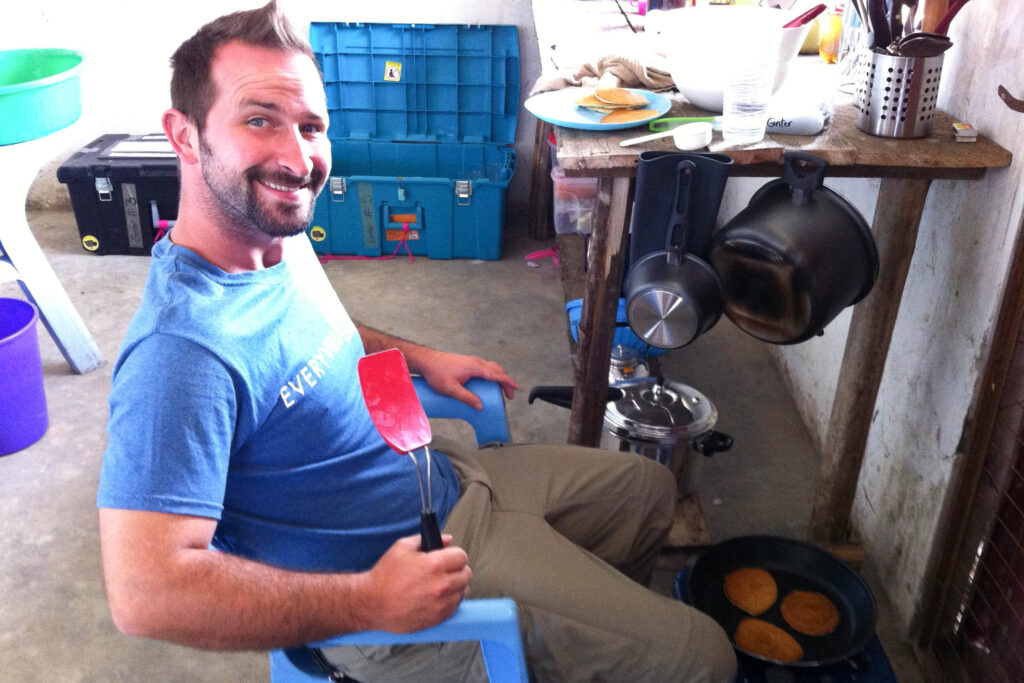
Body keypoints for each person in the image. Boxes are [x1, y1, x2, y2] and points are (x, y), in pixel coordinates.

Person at [96, 3, 736, 681]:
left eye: (312, 126)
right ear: (185, 135)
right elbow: (147, 595)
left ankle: (580, 645)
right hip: (390, 579)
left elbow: (317, 337)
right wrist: (370, 598)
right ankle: (565, 641)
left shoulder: (270, 237)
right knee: (704, 655)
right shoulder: (181, 354)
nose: (297, 155)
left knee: (647, 491)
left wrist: (413, 355)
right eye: (259, 119)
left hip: (449, 478)